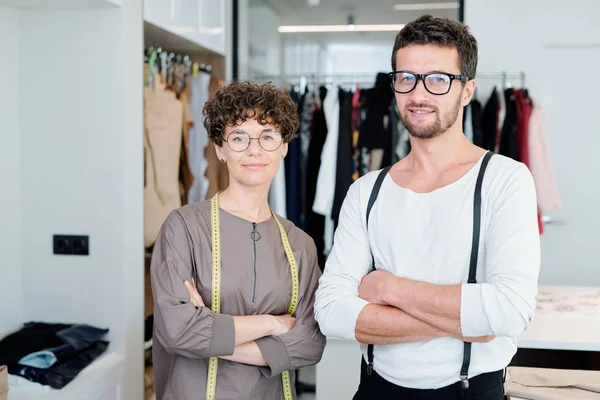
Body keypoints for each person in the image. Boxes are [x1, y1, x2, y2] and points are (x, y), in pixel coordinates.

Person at [314, 15, 540, 400]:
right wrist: (466, 320)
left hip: (469, 391)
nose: (419, 95)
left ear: (466, 90)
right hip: (375, 389)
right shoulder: (366, 191)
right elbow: (331, 313)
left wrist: (389, 288)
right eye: (407, 78)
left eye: (438, 79)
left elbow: (509, 312)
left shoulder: (505, 180)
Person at [150, 81, 326, 400]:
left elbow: (310, 344)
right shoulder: (183, 228)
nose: (254, 150)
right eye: (239, 137)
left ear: (284, 147)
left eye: (268, 136)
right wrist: (273, 325)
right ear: (220, 148)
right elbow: (179, 332)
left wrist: (212, 333)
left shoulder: (300, 244)